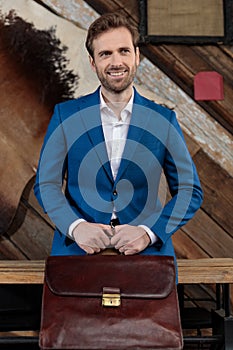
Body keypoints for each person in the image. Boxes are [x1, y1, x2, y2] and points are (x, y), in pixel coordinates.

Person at [34, 12, 203, 261]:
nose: (116, 62)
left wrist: (149, 233)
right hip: (76, 251)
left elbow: (190, 190)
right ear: (93, 63)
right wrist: (75, 227)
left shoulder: (163, 120)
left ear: (137, 56)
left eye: (124, 51)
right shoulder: (65, 115)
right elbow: (46, 184)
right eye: (105, 54)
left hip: (147, 255)